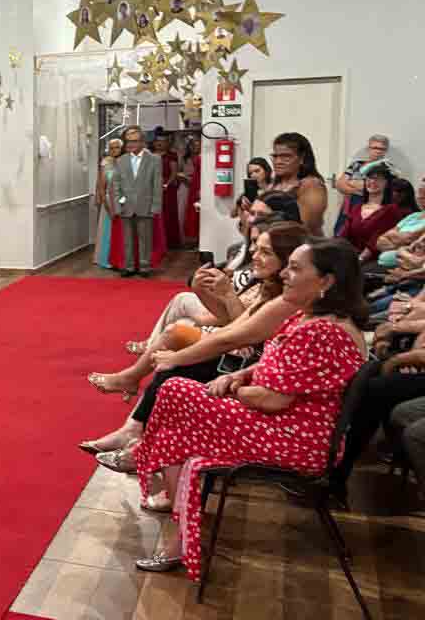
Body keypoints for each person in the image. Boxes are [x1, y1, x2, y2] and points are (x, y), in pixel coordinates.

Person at [130, 238, 366, 580]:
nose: (285, 273)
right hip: (281, 424)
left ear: (326, 282)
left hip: (293, 438)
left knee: (175, 396)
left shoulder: (324, 332)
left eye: (296, 268)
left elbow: (273, 399)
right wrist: (242, 373)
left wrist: (236, 386)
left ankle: (178, 526)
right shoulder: (309, 317)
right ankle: (178, 522)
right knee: (175, 407)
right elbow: (275, 364)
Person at [83, 223, 309, 462]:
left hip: (250, 369)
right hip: (246, 363)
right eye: (255, 246)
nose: (254, 253)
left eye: (265, 251)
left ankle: (141, 442)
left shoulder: (286, 299)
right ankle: (136, 433)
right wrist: (203, 296)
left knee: (174, 367)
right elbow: (231, 327)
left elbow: (234, 336)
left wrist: (179, 355)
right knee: (174, 352)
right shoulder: (268, 286)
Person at [108, 125, 163, 278]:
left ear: (143, 142)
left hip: (146, 205)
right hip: (126, 206)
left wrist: (156, 207)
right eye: (128, 141)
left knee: (145, 238)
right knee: (127, 240)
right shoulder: (120, 160)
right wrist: (117, 205)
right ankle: (129, 266)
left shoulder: (154, 159)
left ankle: (145, 266)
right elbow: (116, 185)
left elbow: (157, 185)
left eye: (134, 141)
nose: (131, 144)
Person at [338, 163, 412, 262]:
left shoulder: (391, 210)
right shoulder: (357, 208)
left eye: (378, 179)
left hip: (372, 261)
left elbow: (375, 243)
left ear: (387, 183)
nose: (372, 181)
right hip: (351, 256)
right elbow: (344, 235)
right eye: (369, 178)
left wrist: (359, 260)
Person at [266, 132, 328, 236]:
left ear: (302, 158)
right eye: (275, 156)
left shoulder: (311, 185)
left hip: (303, 246)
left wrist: (264, 214)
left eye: (286, 156)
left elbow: (307, 227)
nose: (278, 161)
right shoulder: (273, 185)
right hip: (273, 243)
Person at [334, 134, 390, 235]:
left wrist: (351, 183)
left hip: (371, 209)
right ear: (369, 148)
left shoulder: (388, 169)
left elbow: (382, 189)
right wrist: (360, 190)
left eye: (382, 149)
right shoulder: (356, 164)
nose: (378, 151)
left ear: (386, 151)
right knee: (339, 235)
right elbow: (339, 184)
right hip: (349, 207)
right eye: (375, 148)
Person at [95, 139, 124, 268]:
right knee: (107, 231)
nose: (114, 150)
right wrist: (105, 204)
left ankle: (120, 259)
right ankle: (105, 259)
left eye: (117, 147)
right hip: (108, 200)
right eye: (111, 148)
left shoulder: (125, 162)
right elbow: (101, 186)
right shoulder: (105, 163)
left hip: (123, 201)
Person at [155, 134, 183, 250]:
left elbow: (174, 172)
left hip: (168, 188)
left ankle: (170, 242)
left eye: (163, 141)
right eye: (157, 141)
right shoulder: (150, 155)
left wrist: (167, 184)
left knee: (168, 214)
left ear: (167, 143)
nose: (159, 143)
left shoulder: (171, 155)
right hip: (153, 186)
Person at [182, 136, 202, 243]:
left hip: (198, 184)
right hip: (192, 185)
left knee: (197, 213)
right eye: (193, 145)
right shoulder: (187, 158)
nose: (196, 147)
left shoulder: (202, 157)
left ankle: (199, 239)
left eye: (198, 145)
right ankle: (193, 239)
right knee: (192, 212)